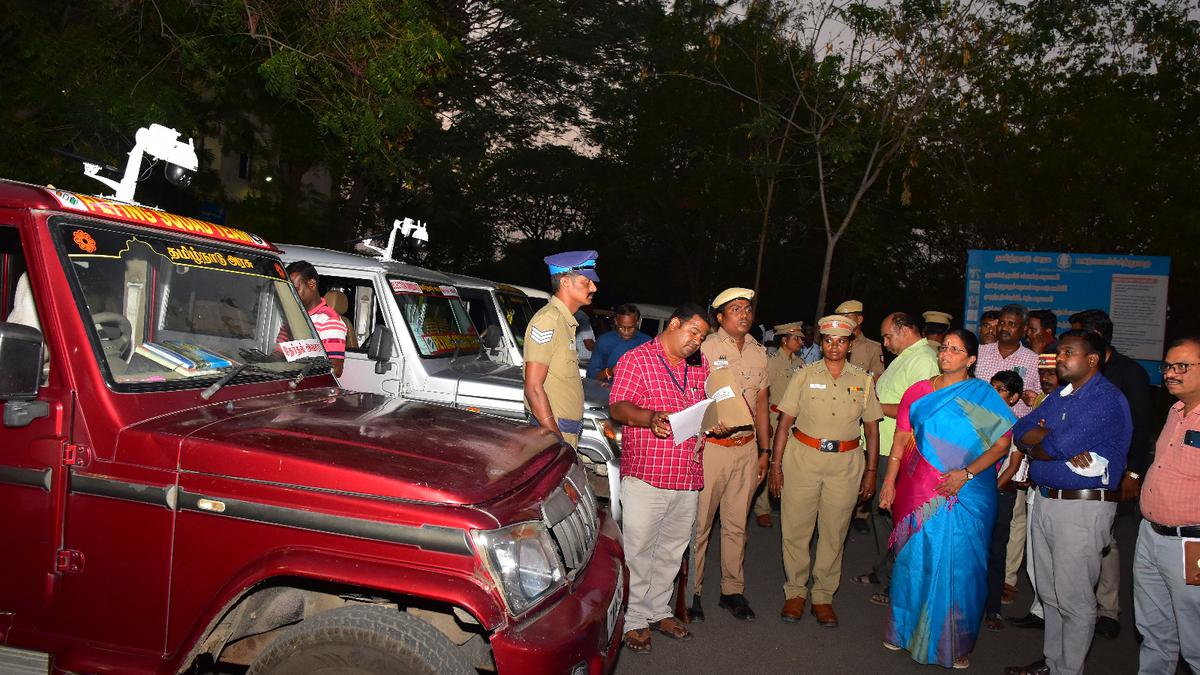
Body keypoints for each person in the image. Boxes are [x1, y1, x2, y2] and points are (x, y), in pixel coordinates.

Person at [878, 329, 1016, 669]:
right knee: (914, 561)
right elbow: (901, 441)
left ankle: (953, 642)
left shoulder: (979, 396)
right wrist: (889, 482)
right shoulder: (920, 392)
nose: (946, 353)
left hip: (966, 492)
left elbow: (1001, 445)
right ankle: (903, 631)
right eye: (944, 348)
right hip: (919, 489)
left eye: (955, 350)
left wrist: (965, 474)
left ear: (970, 359)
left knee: (962, 568)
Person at [1005, 330, 1132, 675]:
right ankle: (1053, 662)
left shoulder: (1104, 399)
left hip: (1081, 508)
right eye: (1058, 352)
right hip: (1046, 500)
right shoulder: (1062, 395)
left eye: (1067, 352)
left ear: (1092, 359)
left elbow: (1054, 446)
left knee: (1074, 598)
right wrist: (1043, 440)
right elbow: (1021, 430)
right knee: (1050, 593)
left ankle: (1068, 670)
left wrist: (1044, 442)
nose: (1059, 358)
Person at [610, 304, 718, 654]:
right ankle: (634, 619)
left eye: (702, 336)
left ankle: (658, 610)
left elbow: (702, 406)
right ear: (674, 324)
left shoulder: (698, 364)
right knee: (639, 550)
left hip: (687, 474)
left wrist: (713, 421)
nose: (696, 341)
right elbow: (618, 406)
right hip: (648, 474)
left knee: (672, 551)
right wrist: (649, 417)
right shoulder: (636, 359)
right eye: (693, 332)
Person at [770, 314, 882, 628]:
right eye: (828, 340)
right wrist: (775, 467)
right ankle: (795, 592)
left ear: (849, 345)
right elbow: (784, 425)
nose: (834, 346)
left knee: (834, 532)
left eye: (841, 341)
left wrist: (871, 471)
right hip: (803, 459)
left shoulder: (863, 380)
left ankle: (822, 596)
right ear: (821, 343)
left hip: (845, 466)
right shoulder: (803, 376)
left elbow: (872, 431)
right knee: (796, 529)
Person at [1070, 308, 1153, 639]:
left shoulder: (1128, 372)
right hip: (1075, 472)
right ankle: (1075, 605)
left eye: (1078, 334)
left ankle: (1107, 610)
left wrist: (1133, 472)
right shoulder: (1079, 370)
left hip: (1112, 472)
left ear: (1097, 337)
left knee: (1107, 539)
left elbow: (1142, 422)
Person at [689, 287, 771, 622]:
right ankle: (691, 593)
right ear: (720, 317)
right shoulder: (704, 347)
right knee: (700, 524)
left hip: (747, 449)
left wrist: (765, 451)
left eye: (748, 309)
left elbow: (762, 405)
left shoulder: (759, 352)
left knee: (737, 524)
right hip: (713, 448)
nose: (744, 314)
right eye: (735, 309)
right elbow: (692, 396)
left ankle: (731, 590)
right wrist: (709, 425)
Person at [850, 311, 939, 604]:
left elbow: (916, 410)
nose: (885, 342)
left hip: (898, 451)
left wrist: (869, 403)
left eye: (888, 335)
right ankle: (885, 570)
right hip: (884, 446)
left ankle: (898, 581)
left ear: (904, 330)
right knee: (882, 512)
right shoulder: (906, 357)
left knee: (895, 517)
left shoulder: (924, 359)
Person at [1134, 335, 1200, 674]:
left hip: (1191, 545)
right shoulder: (1175, 411)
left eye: (1182, 366)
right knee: (1155, 633)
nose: (1171, 373)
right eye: (1168, 366)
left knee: (1196, 642)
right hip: (1150, 537)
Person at [523, 250, 598, 448]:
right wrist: (557, 442)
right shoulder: (548, 320)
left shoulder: (565, 322)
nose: (594, 287)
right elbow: (533, 387)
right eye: (586, 282)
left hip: (563, 433)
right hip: (552, 435)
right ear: (565, 282)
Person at [754, 321, 806, 528]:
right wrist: (764, 422)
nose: (801, 341)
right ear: (784, 340)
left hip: (795, 422)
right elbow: (763, 396)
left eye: (801, 338)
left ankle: (787, 505)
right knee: (770, 461)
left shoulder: (801, 363)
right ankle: (762, 508)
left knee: (791, 464)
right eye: (797, 338)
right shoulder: (772, 362)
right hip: (775, 418)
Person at [985, 369, 1027, 631]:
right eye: (992, 387)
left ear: (1014, 398)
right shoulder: (981, 419)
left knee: (997, 552)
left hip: (1000, 493)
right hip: (977, 493)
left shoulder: (1016, 424)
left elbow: (1012, 466)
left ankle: (993, 610)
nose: (994, 393)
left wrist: (988, 491)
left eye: (1001, 389)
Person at [975, 304, 1040, 419]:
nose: (1004, 328)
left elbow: (1041, 399)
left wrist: (1034, 400)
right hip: (977, 424)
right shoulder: (979, 353)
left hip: (1016, 429)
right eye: (1001, 323)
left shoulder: (1034, 361)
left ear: (1024, 329)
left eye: (1011, 324)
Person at [286, 260, 347, 377]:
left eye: (295, 289)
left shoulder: (330, 321)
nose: (290, 295)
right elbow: (279, 353)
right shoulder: (291, 317)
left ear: (312, 284)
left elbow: (336, 369)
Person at [587, 303, 652, 381]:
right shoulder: (604, 341)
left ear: (638, 322)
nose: (626, 332)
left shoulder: (646, 342)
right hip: (607, 389)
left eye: (631, 327)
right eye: (621, 327)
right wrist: (610, 371)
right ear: (616, 321)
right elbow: (591, 375)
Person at [836, 300, 885, 380]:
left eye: (847, 317)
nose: (843, 321)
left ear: (859, 320)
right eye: (840, 318)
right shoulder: (833, 345)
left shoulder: (873, 348)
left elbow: (876, 380)